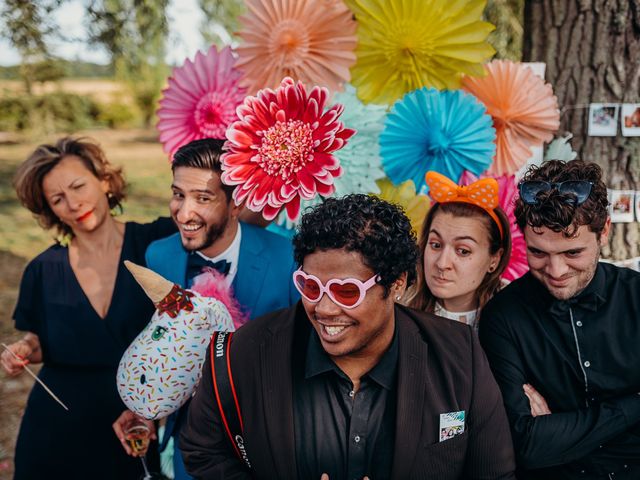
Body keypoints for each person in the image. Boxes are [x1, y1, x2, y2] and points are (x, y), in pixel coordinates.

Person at [180, 194, 516, 480]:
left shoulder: (460, 354)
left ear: (397, 284)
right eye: (310, 286)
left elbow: (494, 473)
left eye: (346, 291)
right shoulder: (241, 354)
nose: (323, 308)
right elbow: (203, 452)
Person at [112, 138, 299, 480]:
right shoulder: (159, 256)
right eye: (178, 194)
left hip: (271, 445)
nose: (183, 213)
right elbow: (162, 349)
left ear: (235, 203)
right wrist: (146, 408)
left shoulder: (287, 258)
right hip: (191, 444)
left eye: (203, 198)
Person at [1, 137, 175, 479]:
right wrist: (23, 349)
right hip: (56, 431)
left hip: (135, 426)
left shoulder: (157, 244)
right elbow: (41, 343)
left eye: (78, 186)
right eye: (57, 199)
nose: (73, 203)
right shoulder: (42, 269)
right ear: (50, 210)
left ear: (105, 181)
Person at [479, 159, 640, 479]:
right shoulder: (503, 316)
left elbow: (542, 439)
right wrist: (632, 407)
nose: (556, 271)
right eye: (538, 253)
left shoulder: (636, 298)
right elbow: (525, 444)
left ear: (604, 231)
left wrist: (560, 428)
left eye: (572, 253)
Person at [407, 171, 511, 329]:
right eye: (436, 245)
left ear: (494, 259)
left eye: (463, 251)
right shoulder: (399, 312)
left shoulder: (514, 319)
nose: (442, 264)